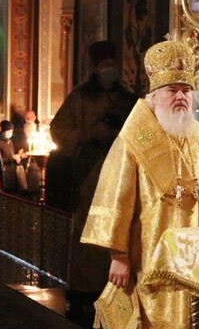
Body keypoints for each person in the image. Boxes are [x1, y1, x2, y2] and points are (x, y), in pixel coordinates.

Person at [80, 40, 199, 328]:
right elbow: (116, 201)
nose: (181, 97)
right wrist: (119, 257)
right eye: (172, 90)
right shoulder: (132, 142)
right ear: (154, 95)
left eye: (186, 90)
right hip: (152, 260)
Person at [49, 40, 138, 318]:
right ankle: (81, 292)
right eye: (104, 65)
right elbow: (59, 128)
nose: (109, 69)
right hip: (90, 175)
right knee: (87, 232)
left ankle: (114, 289)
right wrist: (91, 133)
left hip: (121, 173)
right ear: (95, 68)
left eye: (112, 64)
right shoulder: (81, 97)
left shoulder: (127, 100)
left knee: (119, 229)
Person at [0, 120, 26, 192]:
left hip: (13, 173)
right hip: (5, 174)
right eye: (9, 131)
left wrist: (18, 157)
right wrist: (11, 158)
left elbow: (11, 155)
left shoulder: (10, 142)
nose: (10, 133)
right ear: (3, 131)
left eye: (11, 131)